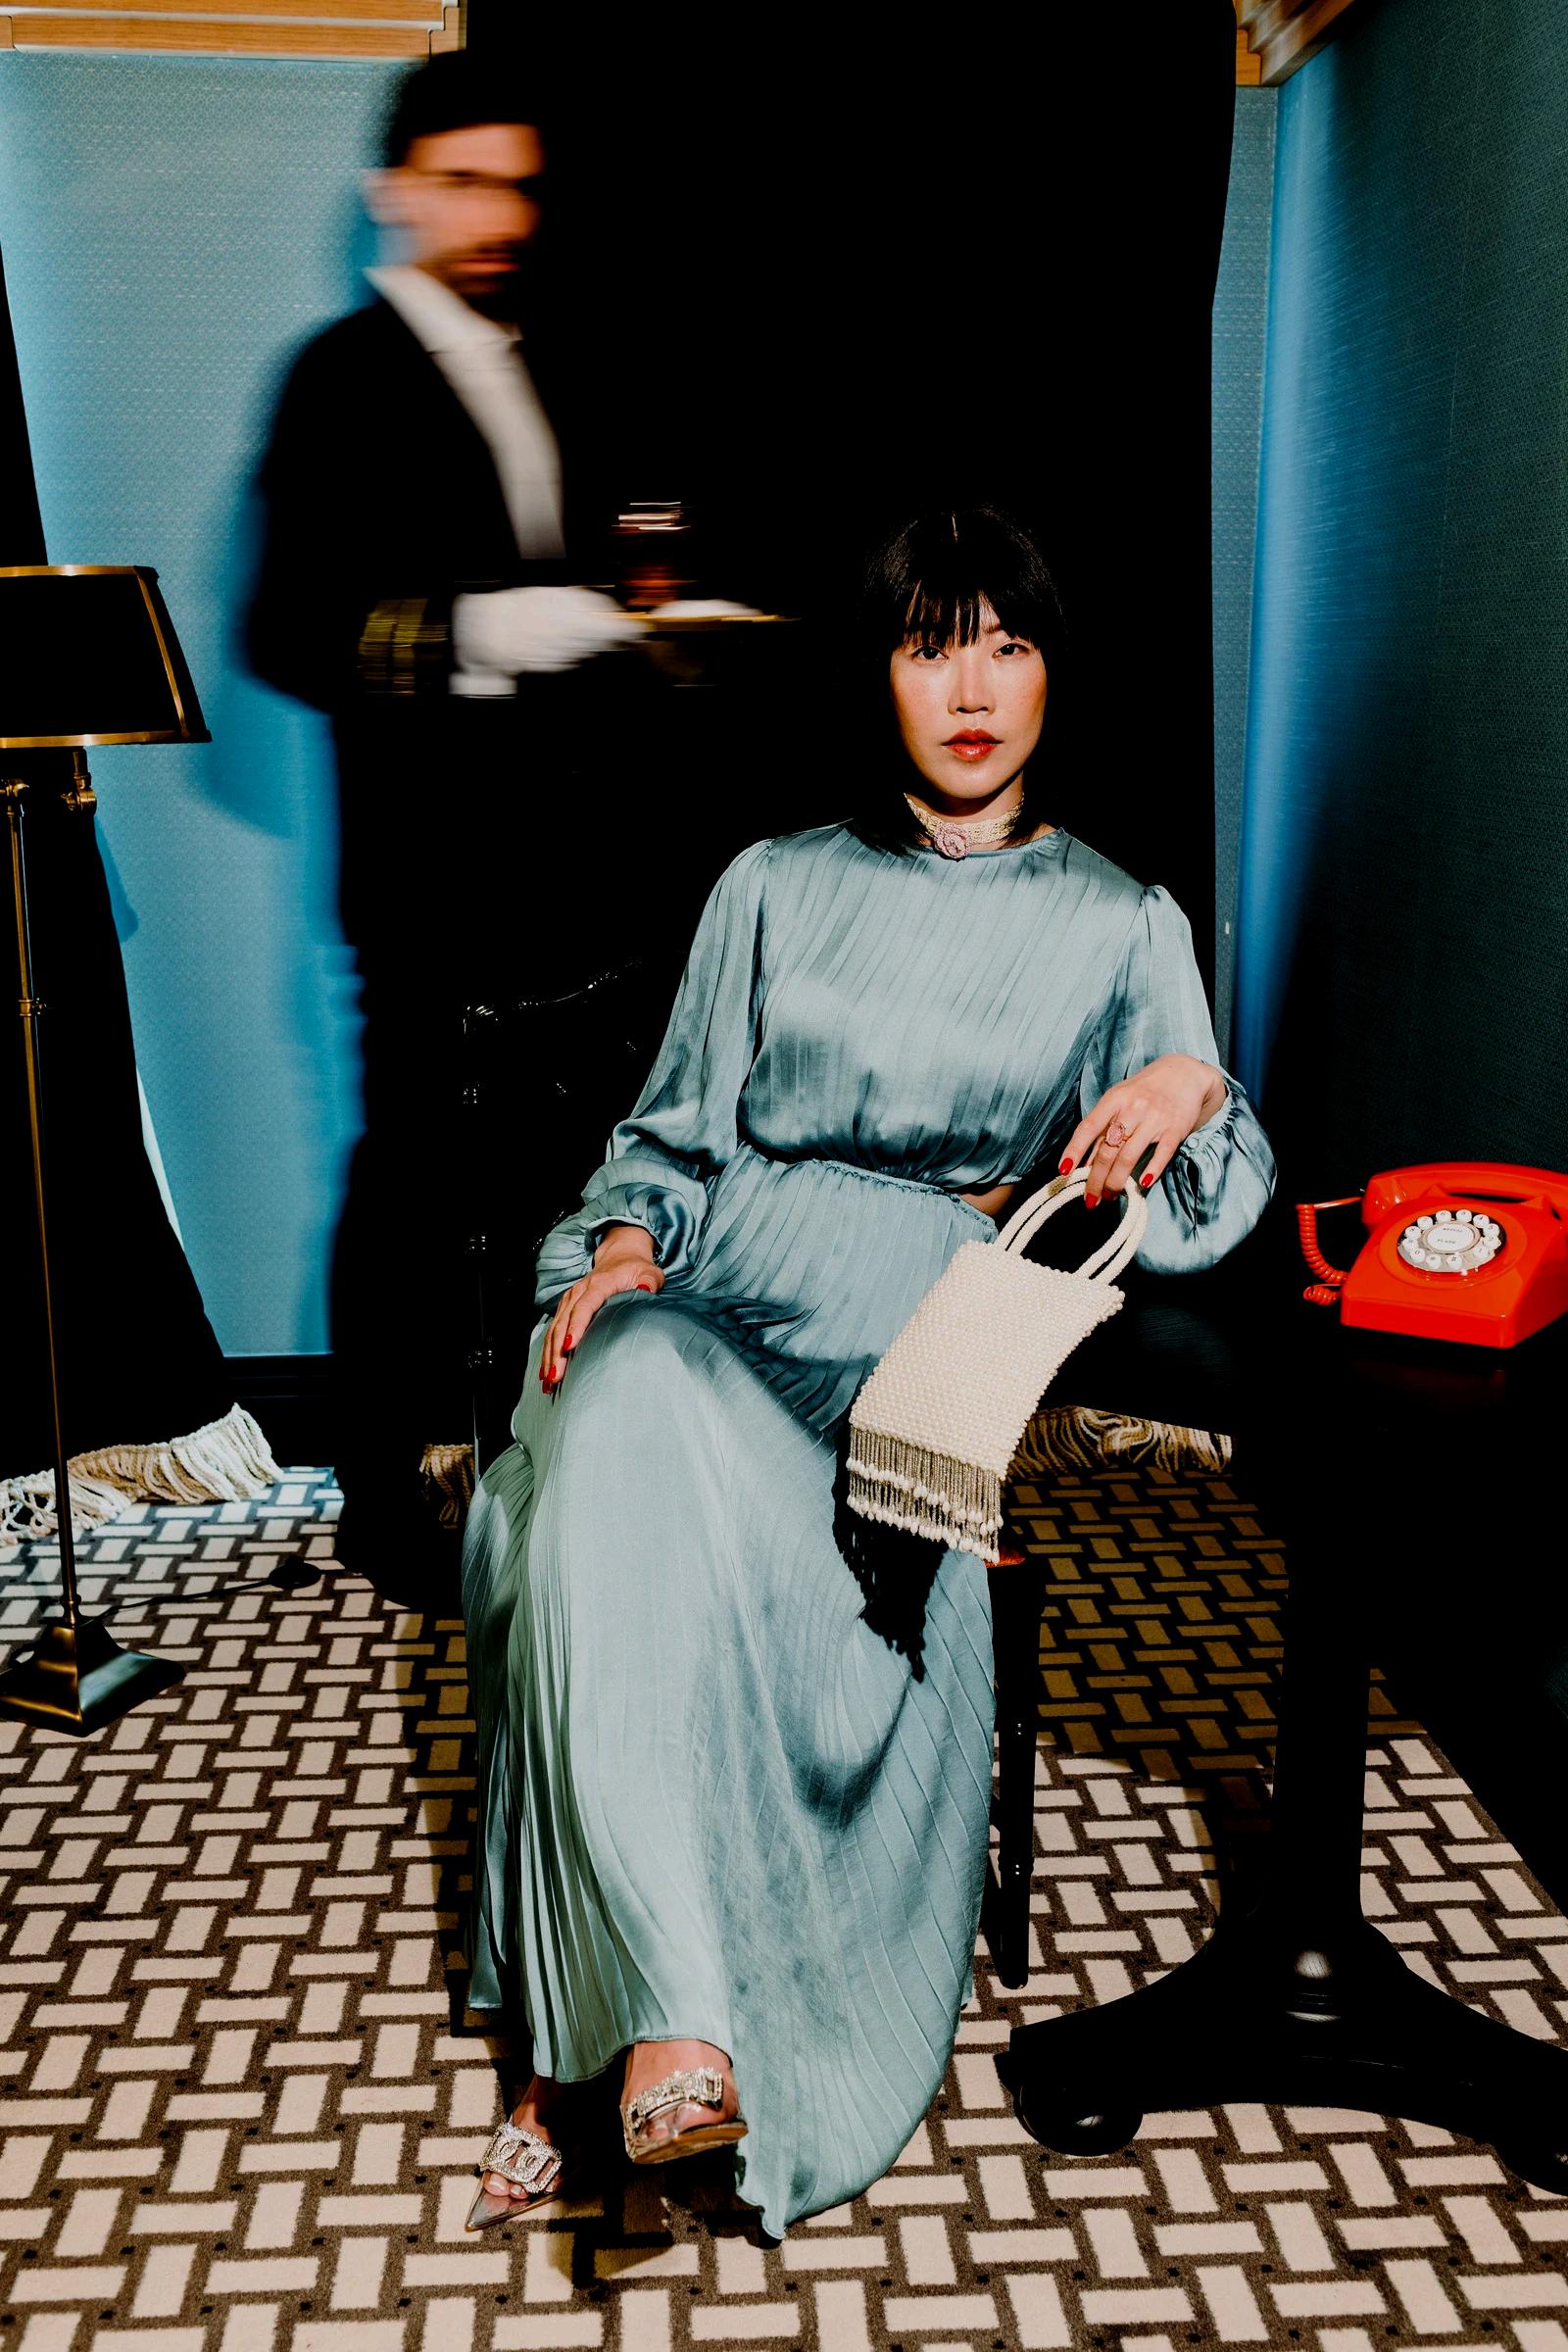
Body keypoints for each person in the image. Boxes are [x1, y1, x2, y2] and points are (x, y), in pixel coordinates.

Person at [460, 505, 1276, 2237]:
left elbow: (1204, 1208)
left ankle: (575, 2040)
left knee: (588, 1507)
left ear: (1052, 674)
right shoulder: (771, 882)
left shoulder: (1122, 921)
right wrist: (624, 1243)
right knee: (614, 1408)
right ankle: (670, 2023)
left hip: (904, 1374)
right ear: (878, 678)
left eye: (1007, 647)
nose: (970, 692)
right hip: (713, 1299)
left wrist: (1194, 1085)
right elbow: (667, 1143)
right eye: (929, 649)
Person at [245, 52, 649, 1597]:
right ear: (393, 192)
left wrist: (642, 628)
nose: (501, 216)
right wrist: (483, 631)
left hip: (574, 881)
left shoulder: (559, 364)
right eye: (468, 182)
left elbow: (605, 591)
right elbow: (282, 630)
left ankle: (544, 1467)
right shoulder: (337, 377)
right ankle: (378, 1493)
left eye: (518, 185)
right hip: (422, 883)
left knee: (566, 1185)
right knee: (412, 1185)